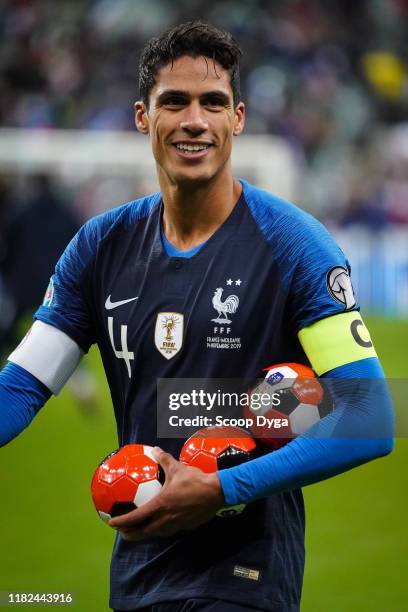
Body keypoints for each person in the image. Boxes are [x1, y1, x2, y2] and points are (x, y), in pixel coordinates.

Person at [0, 21, 394, 612]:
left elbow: (371, 416)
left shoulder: (294, 245)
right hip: (138, 566)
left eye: (213, 103)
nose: (194, 120)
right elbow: (22, 386)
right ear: (142, 116)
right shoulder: (99, 247)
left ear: (237, 119)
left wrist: (219, 488)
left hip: (245, 574)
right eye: (174, 102)